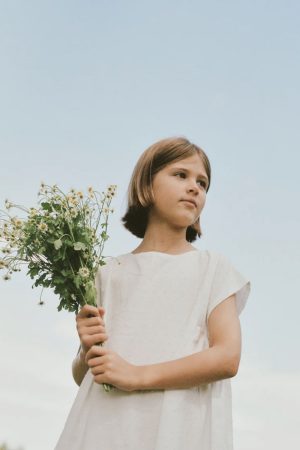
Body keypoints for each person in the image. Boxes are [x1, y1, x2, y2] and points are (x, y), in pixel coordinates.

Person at [55, 136, 251, 450]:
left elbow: (227, 358)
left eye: (203, 183)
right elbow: (87, 377)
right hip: (105, 430)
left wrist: (138, 376)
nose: (195, 187)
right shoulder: (106, 274)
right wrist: (85, 348)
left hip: (176, 431)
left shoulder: (213, 268)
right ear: (147, 185)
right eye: (180, 175)